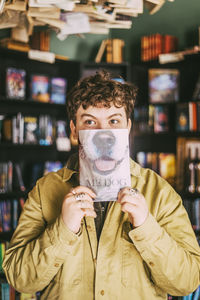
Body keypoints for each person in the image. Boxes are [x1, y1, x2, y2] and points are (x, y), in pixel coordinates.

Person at [3, 70, 200, 300]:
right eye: (89, 121)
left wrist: (147, 225)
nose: (102, 133)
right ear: (74, 130)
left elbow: (187, 281)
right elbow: (18, 278)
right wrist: (63, 228)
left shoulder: (159, 192)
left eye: (113, 121)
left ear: (127, 127)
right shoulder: (45, 190)